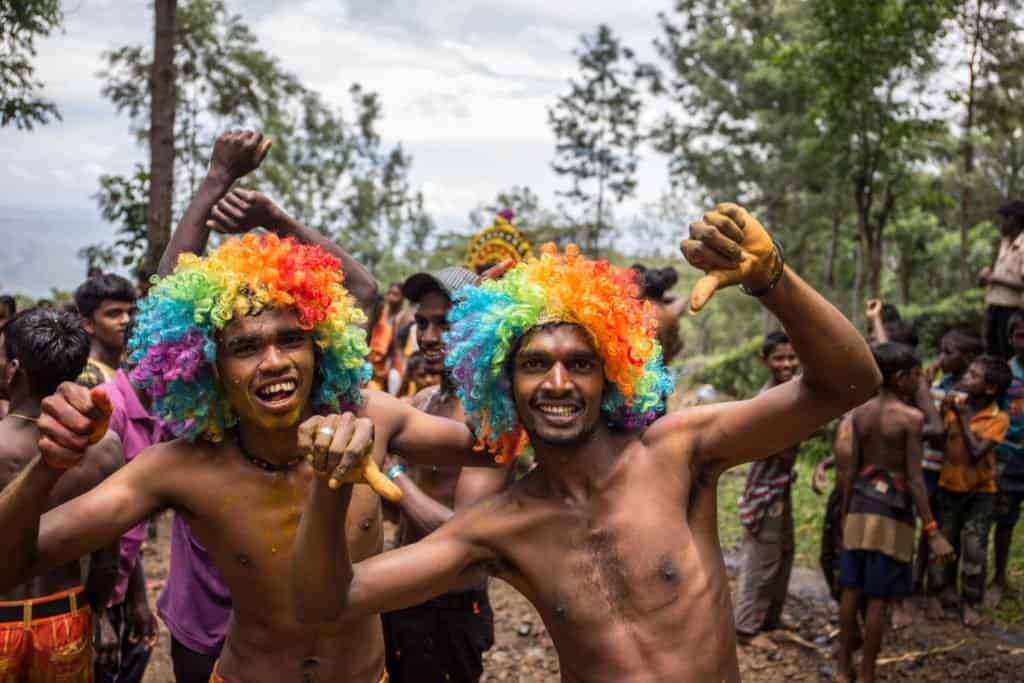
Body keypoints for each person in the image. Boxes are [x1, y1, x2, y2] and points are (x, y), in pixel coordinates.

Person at [290, 204, 881, 682]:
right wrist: (330, 482)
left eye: (580, 363)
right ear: (505, 383)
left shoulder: (680, 452)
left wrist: (773, 280)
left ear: (612, 374)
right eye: (534, 364)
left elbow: (850, 382)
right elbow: (330, 602)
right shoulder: (500, 526)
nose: (557, 382)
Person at [376, 267, 511, 683]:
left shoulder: (490, 415)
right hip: (400, 594)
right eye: (422, 324)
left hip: (449, 607)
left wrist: (391, 474)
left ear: (475, 329)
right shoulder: (420, 402)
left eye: (444, 324)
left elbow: (464, 532)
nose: (429, 337)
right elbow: (398, 515)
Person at [0, 308, 124, 682]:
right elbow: (107, 557)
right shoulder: (106, 447)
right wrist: (100, 612)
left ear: (14, 368)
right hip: (66, 615)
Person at [836, 343, 954, 683]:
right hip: (892, 513)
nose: (920, 383)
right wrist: (932, 530)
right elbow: (915, 481)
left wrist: (845, 515)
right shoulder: (912, 419)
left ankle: (843, 669)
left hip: (859, 505)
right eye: (917, 377)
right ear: (901, 377)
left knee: (851, 590)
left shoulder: (861, 413)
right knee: (877, 598)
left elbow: (851, 470)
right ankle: (867, 673)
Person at [927, 355, 1012, 625]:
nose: (965, 378)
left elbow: (977, 451)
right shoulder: (954, 408)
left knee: (974, 547)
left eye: (973, 376)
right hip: (948, 486)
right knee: (944, 543)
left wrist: (962, 417)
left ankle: (971, 601)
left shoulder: (998, 419)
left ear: (989, 389)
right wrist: (943, 411)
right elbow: (939, 440)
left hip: (980, 492)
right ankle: (937, 592)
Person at [733, 332, 801, 648]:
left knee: (784, 551)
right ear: (765, 361)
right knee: (762, 556)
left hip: (781, 484)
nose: (786, 363)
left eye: (791, 357)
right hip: (765, 488)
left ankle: (771, 617)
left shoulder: (791, 391)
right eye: (779, 358)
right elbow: (776, 448)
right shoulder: (770, 399)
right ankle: (746, 627)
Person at [989, 310, 1024, 607]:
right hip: (1008, 458)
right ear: (1011, 339)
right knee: (1005, 519)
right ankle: (999, 577)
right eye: (1020, 335)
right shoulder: (1003, 375)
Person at [978, 200, 1024, 358]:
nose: (1000, 224)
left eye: (1002, 220)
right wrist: (986, 277)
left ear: (1013, 220)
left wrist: (995, 278)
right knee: (991, 352)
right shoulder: (1004, 242)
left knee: (1007, 353)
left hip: (1011, 310)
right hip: (994, 306)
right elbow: (997, 275)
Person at [74, 275, 137, 388]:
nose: (126, 320)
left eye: (131, 312)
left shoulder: (130, 368)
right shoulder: (87, 378)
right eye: (113, 314)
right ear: (88, 324)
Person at [633, 264, 687, 364]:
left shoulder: (639, 314)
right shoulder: (671, 314)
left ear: (643, 289)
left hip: (642, 372)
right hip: (662, 371)